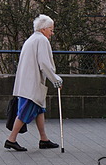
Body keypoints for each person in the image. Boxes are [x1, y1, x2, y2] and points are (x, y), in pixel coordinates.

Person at [4, 14, 63, 152]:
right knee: (25, 111)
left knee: (39, 109)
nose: (52, 33)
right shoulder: (41, 40)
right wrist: (56, 80)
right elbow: (44, 63)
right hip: (32, 84)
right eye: (51, 29)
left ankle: (44, 139)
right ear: (43, 29)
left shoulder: (32, 39)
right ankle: (11, 139)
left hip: (27, 82)